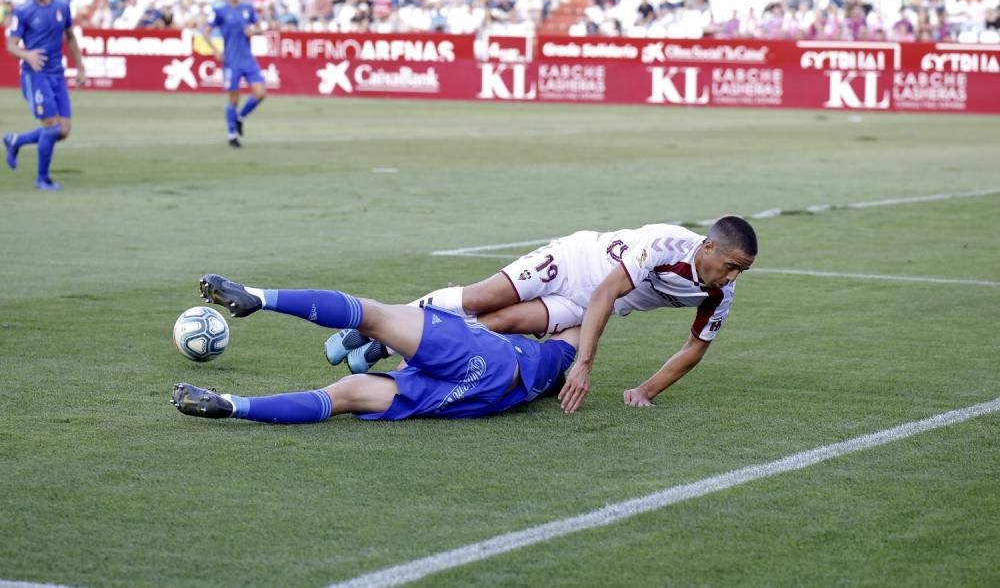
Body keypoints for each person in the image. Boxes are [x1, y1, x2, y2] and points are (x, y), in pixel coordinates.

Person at [327, 216, 757, 413]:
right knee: (481, 298)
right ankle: (377, 326)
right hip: (573, 262)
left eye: (742, 270)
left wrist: (646, 390)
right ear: (708, 247)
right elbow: (608, 292)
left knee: (499, 322)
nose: (734, 276)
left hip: (577, 307)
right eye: (732, 265)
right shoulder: (664, 245)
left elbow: (695, 348)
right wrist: (584, 364)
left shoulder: (721, 292)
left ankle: (400, 357)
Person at [171, 274, 579, 423]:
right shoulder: (542, 365)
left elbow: (569, 327)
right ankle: (230, 405)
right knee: (345, 395)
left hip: (482, 363)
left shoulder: (549, 357)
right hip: (461, 395)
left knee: (375, 315)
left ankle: (260, 296)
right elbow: (564, 327)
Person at [4, 0, 86, 190]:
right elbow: (10, 45)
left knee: (63, 130)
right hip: (34, 75)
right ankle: (42, 178)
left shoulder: (62, 7)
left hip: (57, 76)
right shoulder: (23, 11)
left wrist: (80, 67)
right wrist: (27, 55)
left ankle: (16, 141)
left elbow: (70, 37)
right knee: (51, 125)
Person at [200, 0, 266, 148]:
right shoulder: (220, 11)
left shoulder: (247, 8)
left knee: (260, 93)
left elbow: (259, 27)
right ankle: (232, 136)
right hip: (231, 60)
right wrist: (215, 50)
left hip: (248, 59)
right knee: (233, 99)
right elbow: (205, 32)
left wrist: (254, 31)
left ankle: (240, 117)